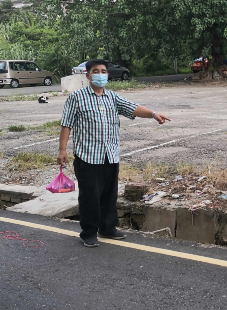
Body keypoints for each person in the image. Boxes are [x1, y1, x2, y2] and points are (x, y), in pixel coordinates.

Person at [57, 59, 171, 247]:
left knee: (109, 194)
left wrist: (153, 114)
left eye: (103, 71)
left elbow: (132, 107)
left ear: (108, 75)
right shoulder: (76, 97)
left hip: (110, 155)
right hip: (87, 156)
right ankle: (89, 232)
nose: (100, 74)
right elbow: (66, 124)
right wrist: (62, 150)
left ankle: (108, 228)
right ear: (88, 75)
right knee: (90, 196)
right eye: (96, 71)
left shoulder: (112, 97)